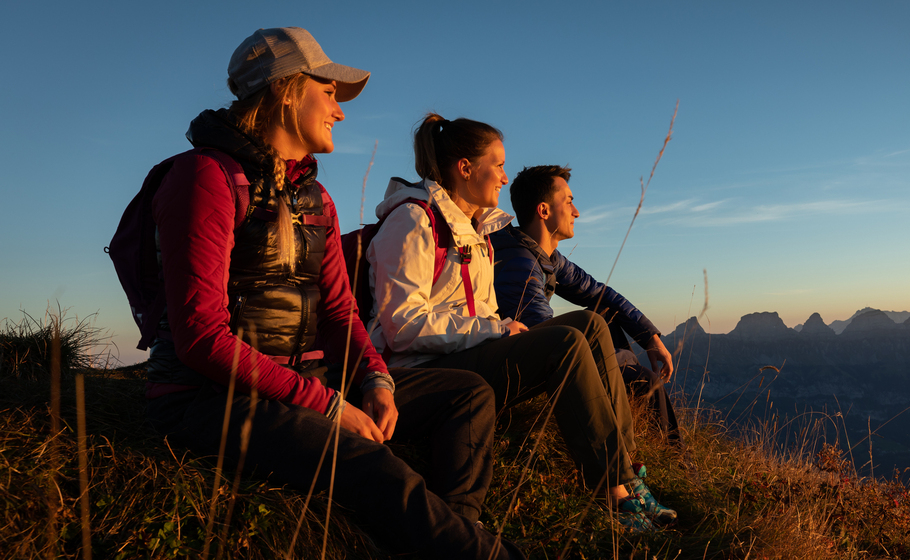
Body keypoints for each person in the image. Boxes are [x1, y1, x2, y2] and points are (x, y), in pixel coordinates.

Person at [141, 27, 522, 559]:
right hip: (209, 399)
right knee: (373, 467)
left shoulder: (315, 196)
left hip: (300, 381)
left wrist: (376, 380)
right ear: (286, 91)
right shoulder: (204, 177)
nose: (339, 112)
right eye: (328, 93)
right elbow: (202, 338)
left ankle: (452, 536)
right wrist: (327, 405)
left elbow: (340, 313)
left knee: (467, 394)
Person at [365, 113, 677, 531]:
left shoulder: (479, 231)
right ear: (465, 168)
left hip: (466, 353)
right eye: (497, 165)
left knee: (589, 323)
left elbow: (594, 293)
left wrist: (647, 335)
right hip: (420, 371)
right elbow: (403, 327)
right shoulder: (413, 220)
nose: (504, 176)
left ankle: (627, 470)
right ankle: (613, 494)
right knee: (564, 344)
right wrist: (495, 330)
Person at [491, 165, 680, 443]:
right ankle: (674, 457)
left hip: (552, 354)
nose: (576, 212)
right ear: (543, 211)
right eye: (568, 202)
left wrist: (649, 338)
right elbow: (552, 341)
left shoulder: (545, 257)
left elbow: (601, 294)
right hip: (525, 370)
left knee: (604, 313)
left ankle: (630, 404)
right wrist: (625, 361)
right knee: (645, 381)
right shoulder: (520, 264)